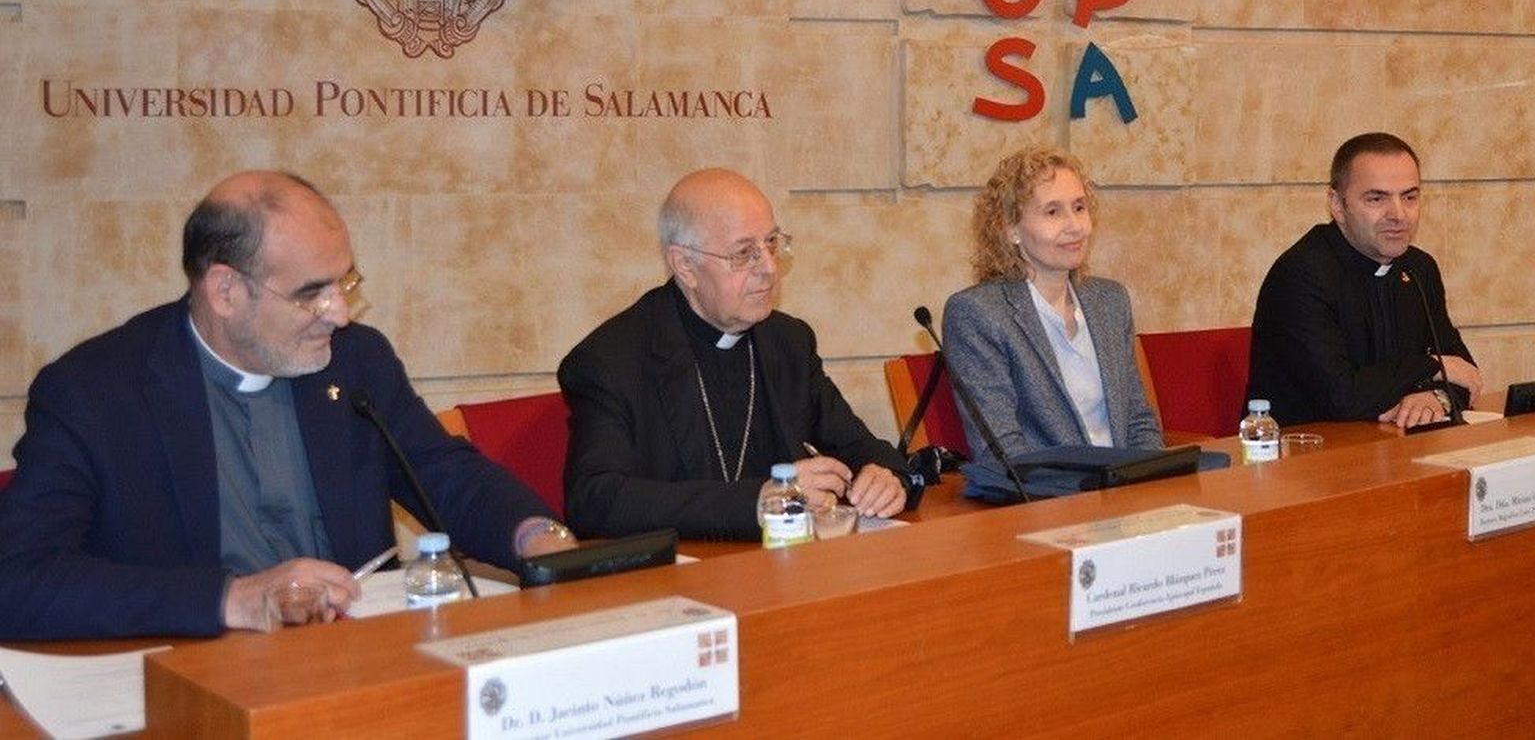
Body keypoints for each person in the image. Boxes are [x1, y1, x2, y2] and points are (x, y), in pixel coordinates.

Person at [0, 171, 575, 641]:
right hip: (202, 672)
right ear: (225, 291)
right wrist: (230, 598)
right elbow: (17, 578)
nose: (339, 313)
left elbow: (443, 473)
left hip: (357, 661)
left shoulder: (355, 360)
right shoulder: (96, 392)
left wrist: (534, 535)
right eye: (310, 293)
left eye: (343, 283)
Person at [559, 168, 908, 540]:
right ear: (685, 266)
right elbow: (595, 500)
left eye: (772, 244)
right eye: (744, 254)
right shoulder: (611, 360)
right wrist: (760, 500)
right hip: (682, 580)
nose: (770, 269)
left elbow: (860, 446)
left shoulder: (787, 341)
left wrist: (883, 476)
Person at [941, 145, 1164, 474]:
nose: (1075, 225)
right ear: (1010, 229)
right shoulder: (978, 313)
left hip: (1124, 496)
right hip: (1046, 506)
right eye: (1052, 212)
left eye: (1079, 207)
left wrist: (1155, 483)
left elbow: (1138, 421)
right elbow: (1001, 451)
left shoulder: (1110, 300)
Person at [1247, 133, 1482, 428]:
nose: (1398, 214)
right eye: (1376, 198)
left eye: (1409, 197)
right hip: (1308, 459)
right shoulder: (1302, 275)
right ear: (1337, 204)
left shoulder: (1419, 267)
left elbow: (1464, 372)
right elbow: (1343, 397)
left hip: (1394, 450)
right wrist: (1432, 365)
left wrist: (1436, 398)